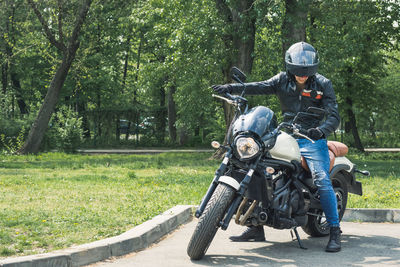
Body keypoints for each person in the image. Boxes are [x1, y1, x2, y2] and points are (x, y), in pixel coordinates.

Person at [212, 41, 342, 253]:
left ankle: (335, 231)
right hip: (285, 135)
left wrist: (322, 130)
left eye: (306, 72)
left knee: (321, 178)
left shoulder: (323, 84)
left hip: (311, 138)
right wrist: (230, 88)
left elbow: (334, 115)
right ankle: (255, 227)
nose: (302, 76)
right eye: (298, 72)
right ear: (291, 68)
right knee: (257, 169)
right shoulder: (282, 79)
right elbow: (257, 86)